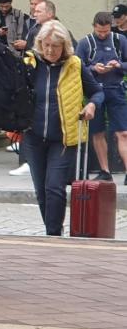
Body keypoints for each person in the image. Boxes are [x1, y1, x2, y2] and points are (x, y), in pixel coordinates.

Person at [21, 20, 102, 236]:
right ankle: (52, 230)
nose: (50, 50)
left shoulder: (75, 65)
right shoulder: (30, 64)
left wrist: (92, 105)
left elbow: (97, 91)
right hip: (33, 137)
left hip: (64, 139)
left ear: (64, 46)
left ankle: (53, 235)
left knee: (54, 187)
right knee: (41, 191)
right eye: (46, 45)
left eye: (55, 46)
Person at [76, 12, 127, 183]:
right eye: (99, 31)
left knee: (123, 133)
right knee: (97, 132)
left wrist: (118, 65)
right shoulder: (85, 43)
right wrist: (93, 68)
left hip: (116, 89)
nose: (103, 35)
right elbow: (77, 67)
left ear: (110, 27)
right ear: (94, 27)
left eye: (106, 31)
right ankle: (105, 171)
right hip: (94, 91)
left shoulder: (120, 40)